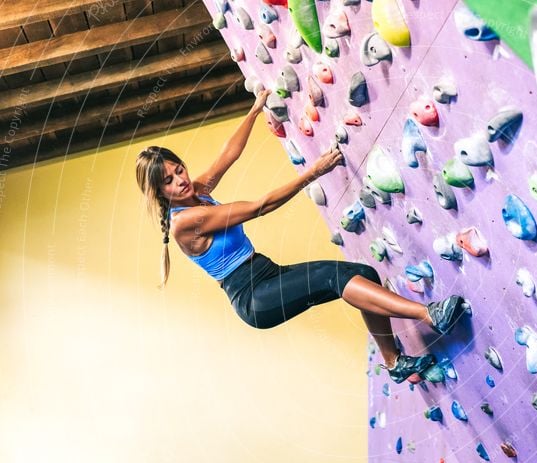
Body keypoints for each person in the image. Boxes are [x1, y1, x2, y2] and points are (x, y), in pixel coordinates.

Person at [135, 90, 466, 384]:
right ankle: (428, 315)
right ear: (159, 192)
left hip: (266, 272)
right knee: (333, 276)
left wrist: (253, 111)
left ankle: (394, 362)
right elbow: (260, 206)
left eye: (179, 169)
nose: (180, 180)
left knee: (364, 275)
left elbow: (228, 155)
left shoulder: (197, 192)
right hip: (252, 297)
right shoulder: (184, 221)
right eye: (168, 181)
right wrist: (315, 171)